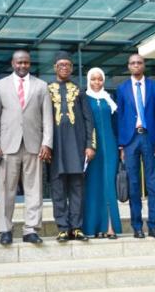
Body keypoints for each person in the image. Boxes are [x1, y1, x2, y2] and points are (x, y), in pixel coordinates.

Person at [0, 49, 53, 245]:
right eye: (19, 62)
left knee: (34, 189)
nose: (22, 66)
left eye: (26, 63)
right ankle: (5, 230)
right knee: (6, 189)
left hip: (34, 145)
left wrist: (47, 143)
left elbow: (47, 118)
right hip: (7, 146)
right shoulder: (0, 86)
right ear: (12, 63)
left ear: (30, 64)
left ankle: (31, 229)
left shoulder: (41, 86)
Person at [115, 53, 155, 239]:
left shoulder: (154, 87)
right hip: (130, 140)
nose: (136, 65)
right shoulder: (122, 89)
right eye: (133, 63)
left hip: (150, 139)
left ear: (144, 65)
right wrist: (121, 145)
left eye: (139, 63)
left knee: (153, 184)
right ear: (128, 66)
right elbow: (120, 118)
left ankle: (153, 226)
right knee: (133, 185)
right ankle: (137, 226)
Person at [47, 51, 95, 242]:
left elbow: (88, 119)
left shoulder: (79, 90)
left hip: (77, 147)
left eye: (67, 65)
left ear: (72, 68)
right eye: (61, 65)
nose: (64, 67)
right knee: (58, 188)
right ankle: (62, 227)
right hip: (56, 148)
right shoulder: (48, 90)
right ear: (55, 68)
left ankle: (76, 227)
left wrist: (90, 145)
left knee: (77, 188)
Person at [83, 67, 122, 239]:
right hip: (92, 149)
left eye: (100, 79)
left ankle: (110, 227)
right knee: (94, 186)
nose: (97, 82)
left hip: (110, 147)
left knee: (108, 184)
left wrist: (121, 147)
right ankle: (95, 227)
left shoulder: (109, 99)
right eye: (93, 79)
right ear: (88, 80)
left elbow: (116, 124)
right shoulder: (83, 98)